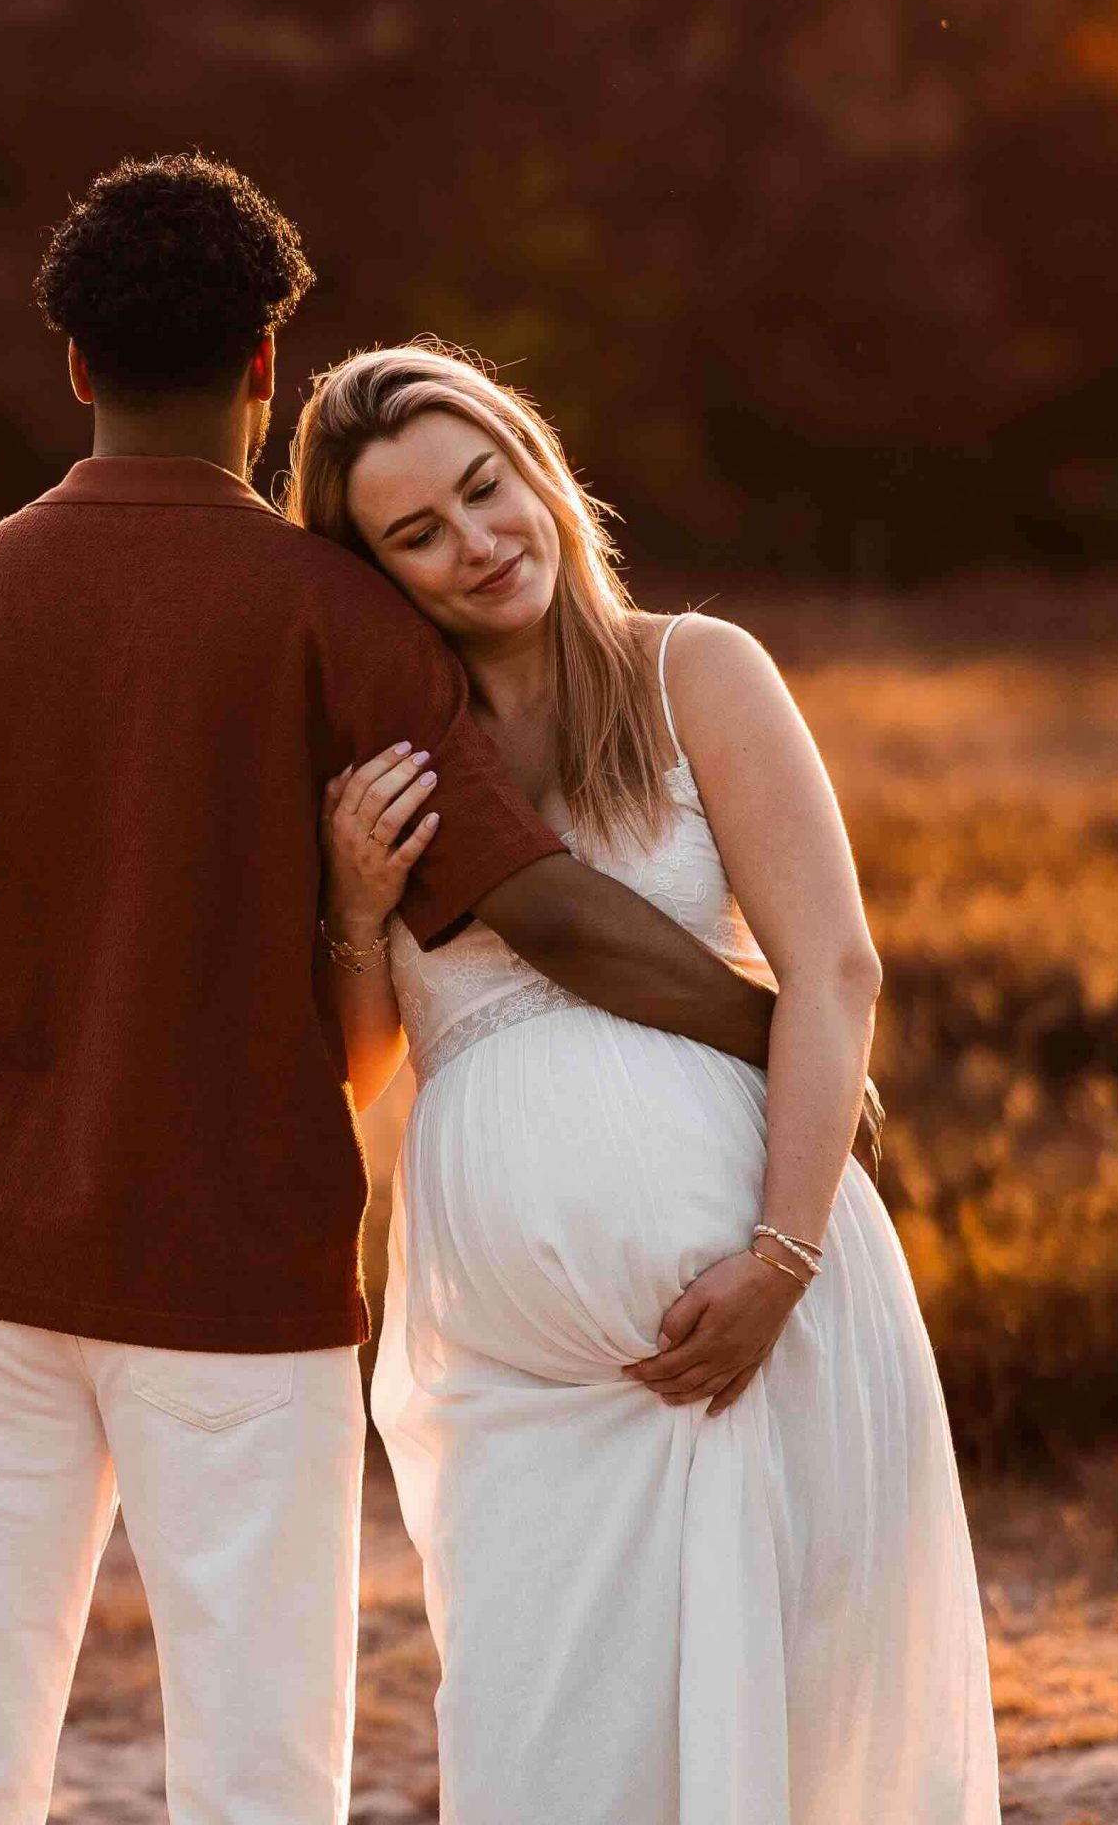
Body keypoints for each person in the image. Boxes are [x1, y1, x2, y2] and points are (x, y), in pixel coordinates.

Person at [0, 155, 809, 1825]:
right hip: (245, 1280)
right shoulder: (333, 613)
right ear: (268, 367)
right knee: (262, 1773)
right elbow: (535, 903)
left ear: (71, 365)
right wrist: (777, 1032)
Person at [291, 339, 998, 1825]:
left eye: (486, 490)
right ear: (370, 570)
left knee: (782, 1731)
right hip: (516, 1374)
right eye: (416, 533)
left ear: (536, 467)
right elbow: (359, 1071)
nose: (476, 543)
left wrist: (777, 1259)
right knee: (541, 1735)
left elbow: (835, 974)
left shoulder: (694, 670)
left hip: (755, 1307)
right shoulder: (394, 753)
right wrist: (355, 906)